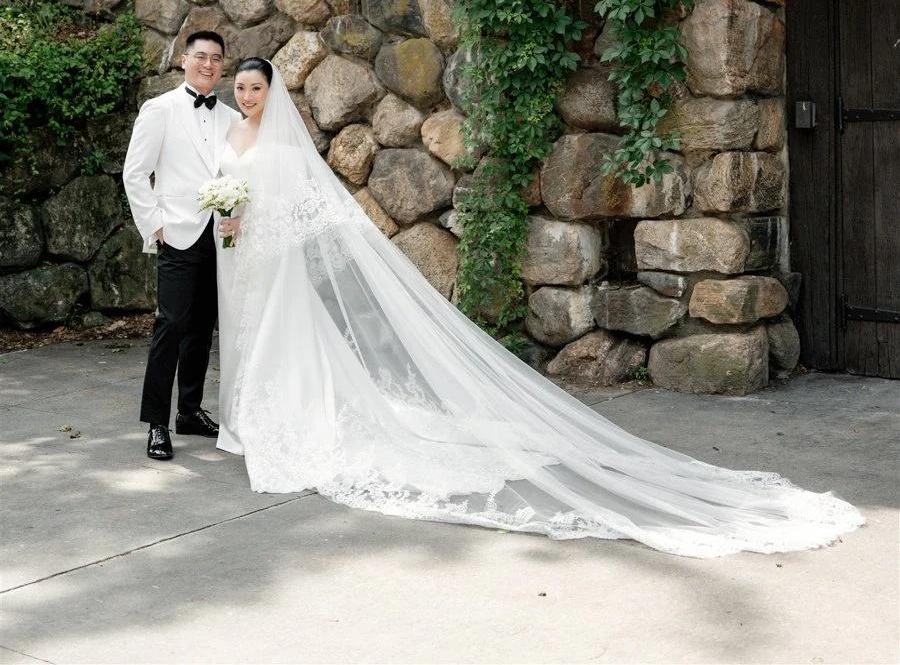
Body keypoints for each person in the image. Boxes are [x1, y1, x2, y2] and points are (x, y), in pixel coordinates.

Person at [214, 57, 864, 558]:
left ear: (272, 93)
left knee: (289, 347)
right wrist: (227, 220)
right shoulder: (232, 140)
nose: (246, 97)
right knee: (256, 343)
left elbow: (311, 218)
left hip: (274, 274)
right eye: (240, 89)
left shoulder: (281, 150)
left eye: (255, 88)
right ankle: (248, 419)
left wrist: (247, 224)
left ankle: (283, 426)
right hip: (244, 268)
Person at [123, 31, 240, 460]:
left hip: (218, 237)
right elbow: (135, 173)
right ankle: (157, 423)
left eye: (216, 58)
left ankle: (189, 411)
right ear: (184, 59)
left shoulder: (230, 116)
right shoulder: (160, 109)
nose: (208, 64)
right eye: (201, 56)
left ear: (223, 65)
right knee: (170, 325)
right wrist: (154, 226)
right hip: (176, 232)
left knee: (202, 326)